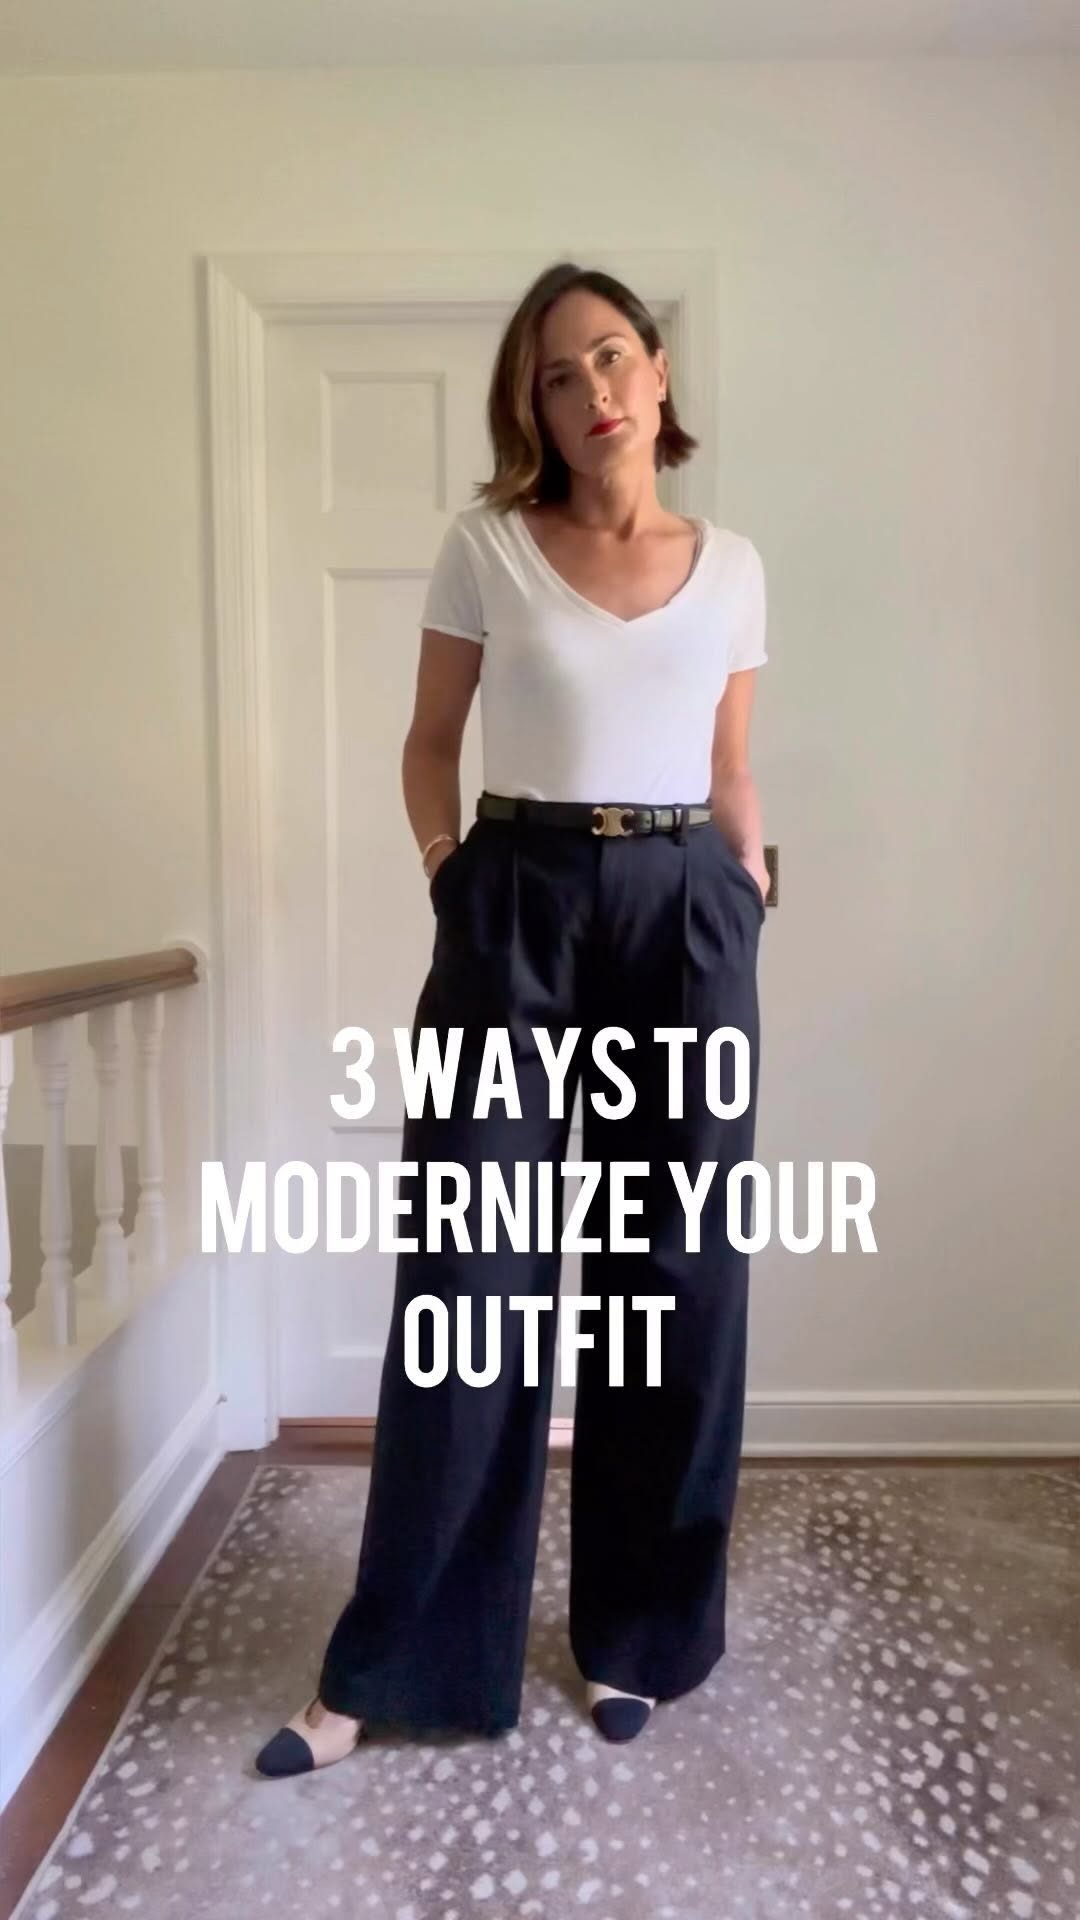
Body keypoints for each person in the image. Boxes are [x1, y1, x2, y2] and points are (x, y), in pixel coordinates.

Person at [255, 259, 770, 1777]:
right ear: (531, 409)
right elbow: (430, 742)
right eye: (556, 374)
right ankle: (399, 1661)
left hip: (686, 910)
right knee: (471, 1280)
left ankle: (640, 1637)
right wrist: (450, 876)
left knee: (677, 1278)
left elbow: (732, 765)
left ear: (657, 372)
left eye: (610, 355)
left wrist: (746, 887)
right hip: (519, 898)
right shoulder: (485, 545)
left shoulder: (734, 565)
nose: (591, 388)